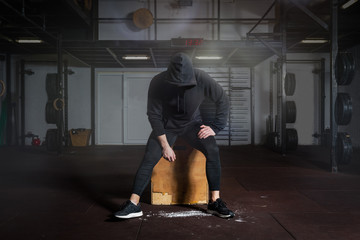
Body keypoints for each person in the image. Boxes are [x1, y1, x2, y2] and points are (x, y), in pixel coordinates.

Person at [114, 52, 234, 219]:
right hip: (167, 126)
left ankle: (215, 201)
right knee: (149, 157)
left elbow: (222, 99)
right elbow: (154, 115)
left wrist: (216, 126)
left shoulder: (202, 77)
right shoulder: (157, 81)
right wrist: (165, 145)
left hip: (192, 124)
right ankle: (133, 204)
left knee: (212, 149)